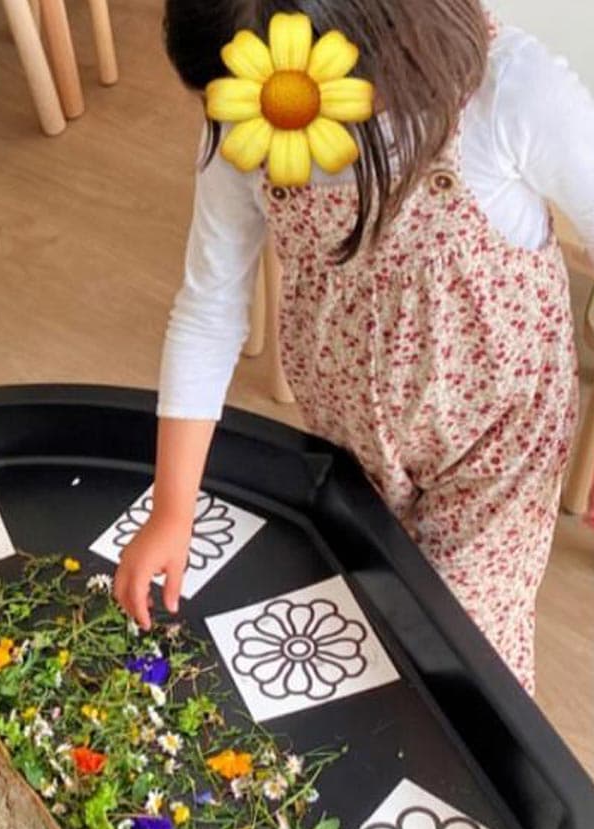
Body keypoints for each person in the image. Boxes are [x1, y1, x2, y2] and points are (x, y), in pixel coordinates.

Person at [114, 0, 594, 693]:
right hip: (352, 425)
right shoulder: (245, 112)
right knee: (367, 610)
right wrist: (172, 506)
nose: (245, 128)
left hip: (497, 439)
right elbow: (209, 307)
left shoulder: (506, 91)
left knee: (459, 643)